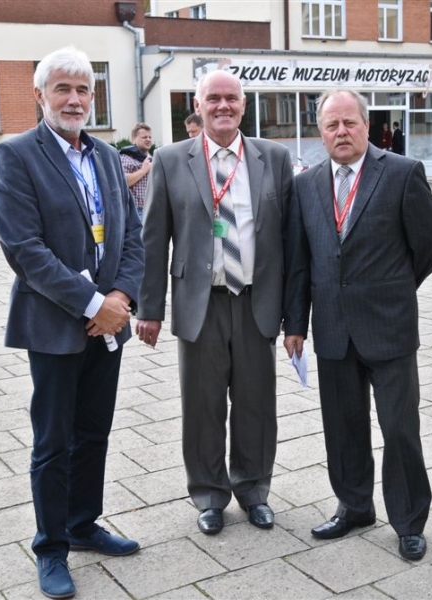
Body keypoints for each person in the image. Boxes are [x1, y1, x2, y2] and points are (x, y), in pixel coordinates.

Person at [0, 46, 144, 600]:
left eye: (83, 89)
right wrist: (92, 303)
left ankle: (83, 524)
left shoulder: (105, 156)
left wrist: (120, 296)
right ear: (40, 95)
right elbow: (25, 250)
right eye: (63, 88)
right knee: (53, 442)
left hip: (109, 323)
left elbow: (131, 234)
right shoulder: (16, 155)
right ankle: (51, 547)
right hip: (55, 325)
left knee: (94, 432)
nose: (74, 99)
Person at [283, 89, 432, 562]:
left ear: (366, 125)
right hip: (332, 328)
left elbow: (431, 244)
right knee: (342, 426)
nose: (341, 132)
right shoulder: (306, 185)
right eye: (331, 125)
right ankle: (354, 506)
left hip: (388, 328)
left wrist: (395, 288)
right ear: (320, 133)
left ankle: (409, 522)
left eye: (349, 123)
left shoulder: (401, 173)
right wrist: (295, 324)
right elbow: (300, 261)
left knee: (399, 429)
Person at [136, 70, 293, 536]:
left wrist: (295, 313)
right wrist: (150, 309)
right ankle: (208, 495)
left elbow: (292, 238)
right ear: (198, 106)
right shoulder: (170, 160)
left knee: (256, 404)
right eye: (213, 99)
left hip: (256, 301)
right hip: (199, 303)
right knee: (202, 406)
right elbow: (153, 240)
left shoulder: (274, 157)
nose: (223, 106)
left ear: (243, 105)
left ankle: (254, 490)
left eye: (231, 98)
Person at [119, 123, 153, 220]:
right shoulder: (125, 158)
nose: (148, 139)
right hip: (134, 212)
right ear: (134, 139)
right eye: (144, 137)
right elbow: (123, 182)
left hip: (151, 209)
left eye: (150, 137)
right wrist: (143, 170)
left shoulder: (152, 158)